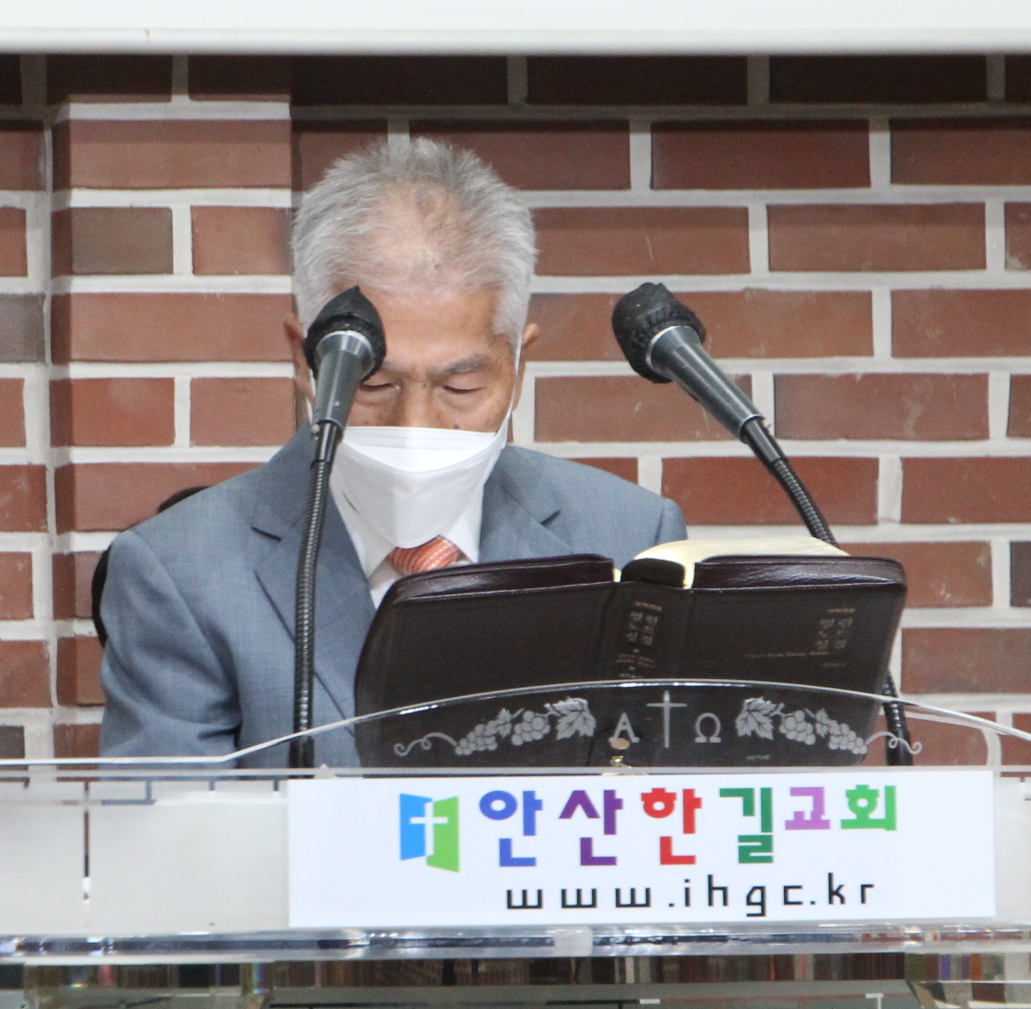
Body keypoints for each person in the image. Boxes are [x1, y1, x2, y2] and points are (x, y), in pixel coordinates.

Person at [95, 137, 686, 764]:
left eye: (462, 386)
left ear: (519, 363)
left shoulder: (629, 537)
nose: (416, 425)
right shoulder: (181, 571)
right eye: (374, 384)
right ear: (304, 358)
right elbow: (171, 822)